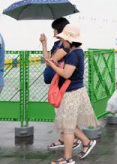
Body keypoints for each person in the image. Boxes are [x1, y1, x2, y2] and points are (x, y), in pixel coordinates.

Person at [46, 24, 99, 164]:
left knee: (68, 128)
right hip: (73, 92)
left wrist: (52, 66)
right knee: (69, 124)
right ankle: (87, 142)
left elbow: (67, 74)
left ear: (69, 41)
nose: (62, 42)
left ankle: (67, 159)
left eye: (63, 40)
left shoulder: (74, 55)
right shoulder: (76, 52)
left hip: (72, 93)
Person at [40, 18, 81, 150]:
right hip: (57, 82)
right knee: (61, 113)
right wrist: (44, 44)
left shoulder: (65, 47)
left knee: (64, 115)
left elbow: (48, 61)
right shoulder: (57, 44)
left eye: (54, 29)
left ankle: (78, 140)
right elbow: (48, 59)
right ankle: (65, 139)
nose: (53, 32)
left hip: (63, 84)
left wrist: (50, 61)